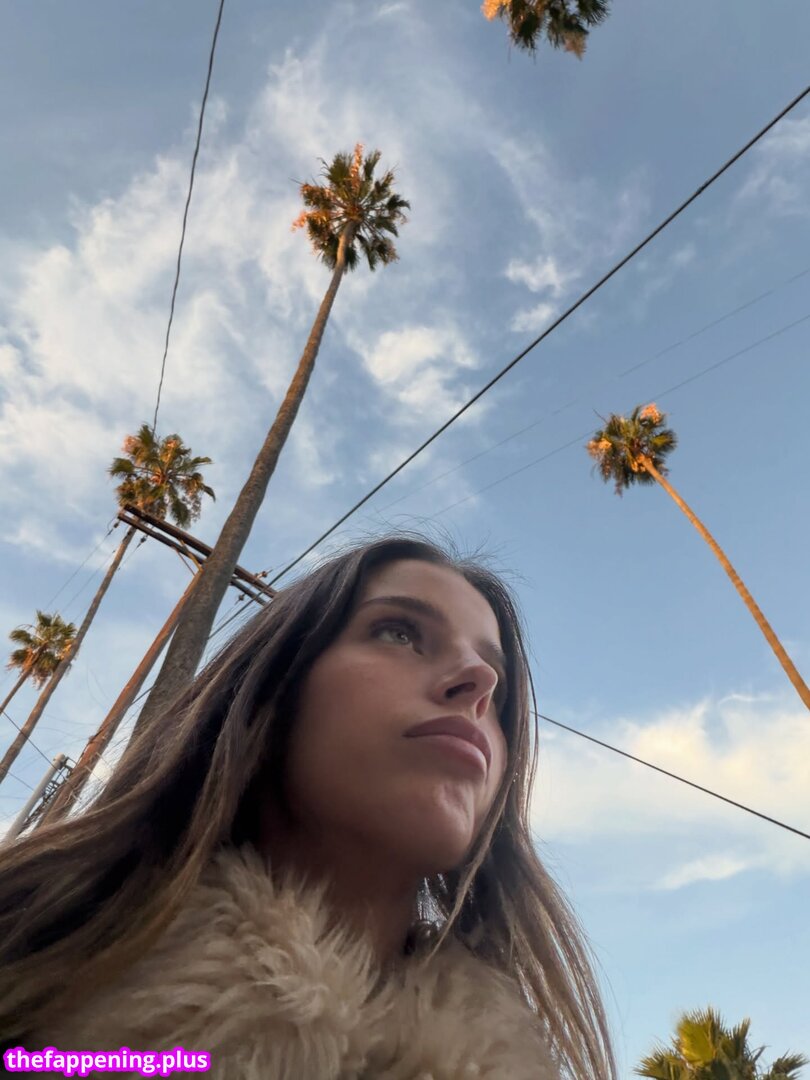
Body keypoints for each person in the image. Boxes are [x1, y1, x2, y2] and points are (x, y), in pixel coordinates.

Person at [0, 535, 615, 1078]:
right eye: (399, 632)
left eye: (498, 686)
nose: (479, 681)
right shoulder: (27, 955)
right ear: (273, 689)